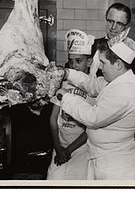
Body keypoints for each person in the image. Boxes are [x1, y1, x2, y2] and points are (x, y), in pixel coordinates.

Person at [57, 28, 135, 180]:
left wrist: (66, 98)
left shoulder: (126, 91)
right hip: (104, 159)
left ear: (118, 64)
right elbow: (92, 85)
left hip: (117, 167)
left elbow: (93, 117)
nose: (99, 67)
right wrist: (67, 73)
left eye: (103, 63)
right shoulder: (115, 81)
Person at [46, 29, 95, 180]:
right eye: (71, 61)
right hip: (60, 146)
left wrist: (68, 150)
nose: (73, 66)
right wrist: (58, 147)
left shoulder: (94, 88)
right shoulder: (64, 84)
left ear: (89, 62)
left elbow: (91, 128)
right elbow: (53, 119)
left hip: (81, 150)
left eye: (78, 61)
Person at [90, 2, 135, 77]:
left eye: (119, 24)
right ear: (105, 21)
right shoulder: (92, 45)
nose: (113, 27)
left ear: (126, 27)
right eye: (111, 21)